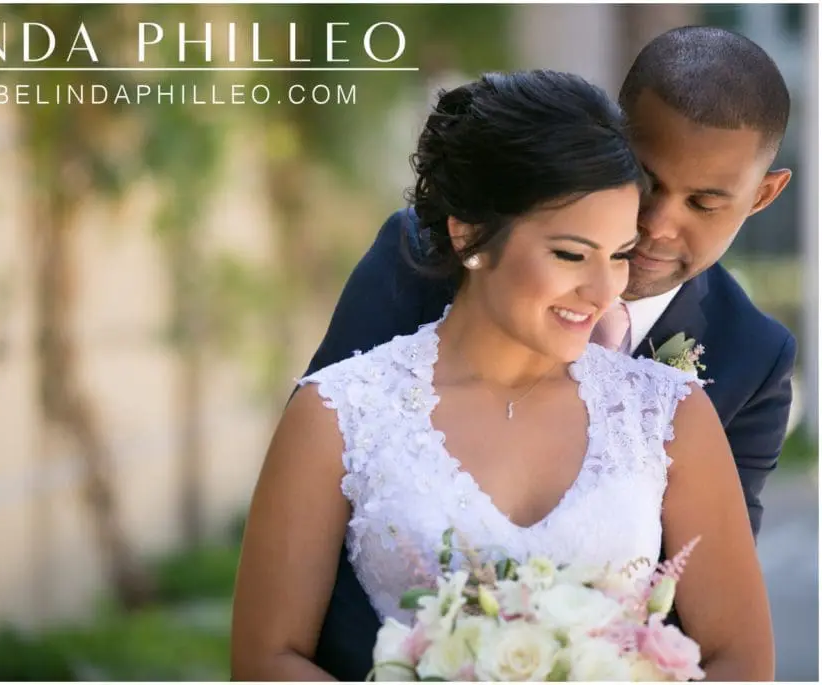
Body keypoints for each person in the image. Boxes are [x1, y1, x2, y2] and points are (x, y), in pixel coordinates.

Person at [231, 68, 774, 681]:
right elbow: (265, 660)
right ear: (470, 234)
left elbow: (741, 658)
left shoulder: (669, 414)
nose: (603, 291)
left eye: (619, 255)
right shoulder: (338, 412)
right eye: (570, 254)